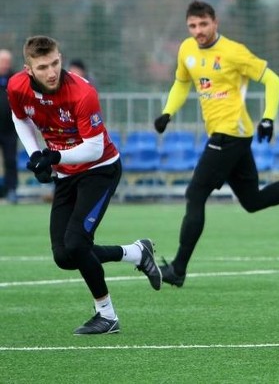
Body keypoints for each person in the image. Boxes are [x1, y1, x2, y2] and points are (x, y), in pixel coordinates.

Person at [154, 0, 279, 287]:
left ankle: (178, 269)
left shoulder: (233, 52)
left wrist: (268, 118)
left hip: (230, 133)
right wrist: (168, 112)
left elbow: (273, 80)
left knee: (195, 194)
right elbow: (181, 83)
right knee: (253, 201)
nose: (198, 31)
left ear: (215, 23)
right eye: (193, 25)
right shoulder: (186, 50)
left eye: (203, 24)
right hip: (228, 136)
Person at [7, 36, 162, 335]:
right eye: (42, 67)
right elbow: (19, 118)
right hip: (66, 173)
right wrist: (36, 155)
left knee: (77, 244)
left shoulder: (82, 92)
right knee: (64, 256)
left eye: (55, 63)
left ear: (60, 57)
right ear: (28, 69)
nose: (51, 72)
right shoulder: (16, 86)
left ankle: (107, 315)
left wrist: (54, 155)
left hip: (100, 169)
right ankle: (136, 253)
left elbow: (93, 148)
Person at [0, 49, 18, 204]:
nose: (5, 65)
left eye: (7, 62)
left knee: (10, 161)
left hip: (10, 130)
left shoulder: (16, 79)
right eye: (2, 61)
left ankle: (11, 190)